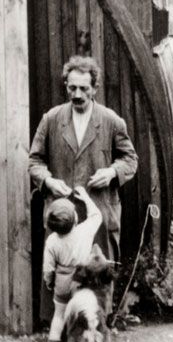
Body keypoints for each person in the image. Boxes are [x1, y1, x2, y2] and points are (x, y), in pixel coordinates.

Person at [29, 56, 137, 322]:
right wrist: (48, 181)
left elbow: (130, 159)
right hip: (64, 213)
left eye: (84, 89)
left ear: (94, 89)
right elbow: (34, 160)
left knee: (96, 272)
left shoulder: (111, 121)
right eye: (72, 88)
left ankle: (97, 326)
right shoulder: (52, 119)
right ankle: (62, 328)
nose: (77, 94)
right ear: (66, 86)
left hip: (97, 211)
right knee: (63, 274)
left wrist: (111, 172)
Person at [40, 187, 103, 342]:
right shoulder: (84, 231)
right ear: (75, 219)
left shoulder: (52, 241)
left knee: (59, 315)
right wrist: (86, 198)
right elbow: (97, 216)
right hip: (81, 280)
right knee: (83, 316)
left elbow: (48, 268)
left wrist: (48, 281)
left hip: (62, 280)